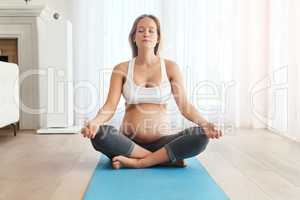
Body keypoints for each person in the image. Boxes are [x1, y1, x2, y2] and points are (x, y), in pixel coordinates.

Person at [81, 14, 222, 169]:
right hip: (129, 142)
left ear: (158, 38)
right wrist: (95, 122)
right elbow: (110, 106)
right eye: (141, 30)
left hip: (164, 143)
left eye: (151, 31)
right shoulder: (121, 69)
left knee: (200, 135)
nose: (146, 34)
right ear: (134, 37)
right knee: (100, 134)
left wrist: (205, 124)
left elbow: (185, 106)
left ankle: (140, 162)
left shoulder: (170, 67)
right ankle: (164, 159)